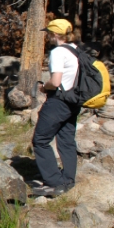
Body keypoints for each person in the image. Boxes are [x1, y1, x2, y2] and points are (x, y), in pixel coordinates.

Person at [31, 18, 81, 197]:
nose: (48, 37)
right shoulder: (76, 50)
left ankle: (54, 183)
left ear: (54, 34)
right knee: (67, 140)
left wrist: (44, 87)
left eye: (49, 33)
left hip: (58, 101)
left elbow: (56, 81)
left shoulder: (58, 52)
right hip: (74, 100)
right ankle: (68, 180)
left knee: (40, 140)